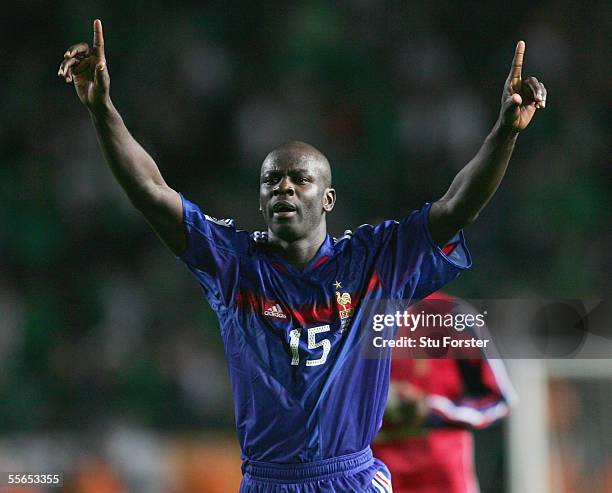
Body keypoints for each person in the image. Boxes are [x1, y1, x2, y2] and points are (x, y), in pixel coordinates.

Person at [57, 19, 546, 493]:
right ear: (261, 199)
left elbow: (459, 206)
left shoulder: (377, 260)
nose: (284, 186)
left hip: (351, 478)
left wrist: (506, 131)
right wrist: (102, 110)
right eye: (272, 180)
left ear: (327, 199)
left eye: (300, 178)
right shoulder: (234, 264)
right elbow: (151, 192)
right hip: (267, 482)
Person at [372, 292, 517, 493]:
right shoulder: (350, 317)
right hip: (376, 477)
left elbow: (499, 400)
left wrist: (433, 410)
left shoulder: (450, 313)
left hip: (444, 480)